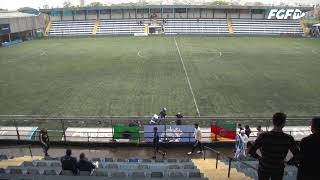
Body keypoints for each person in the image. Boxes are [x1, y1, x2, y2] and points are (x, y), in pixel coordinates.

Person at [249, 112, 299, 180]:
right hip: (278, 169)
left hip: (264, 168)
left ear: (273, 122)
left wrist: (260, 158)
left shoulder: (263, 136)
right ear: (284, 123)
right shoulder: (288, 138)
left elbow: (251, 151)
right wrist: (288, 163)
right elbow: (297, 155)